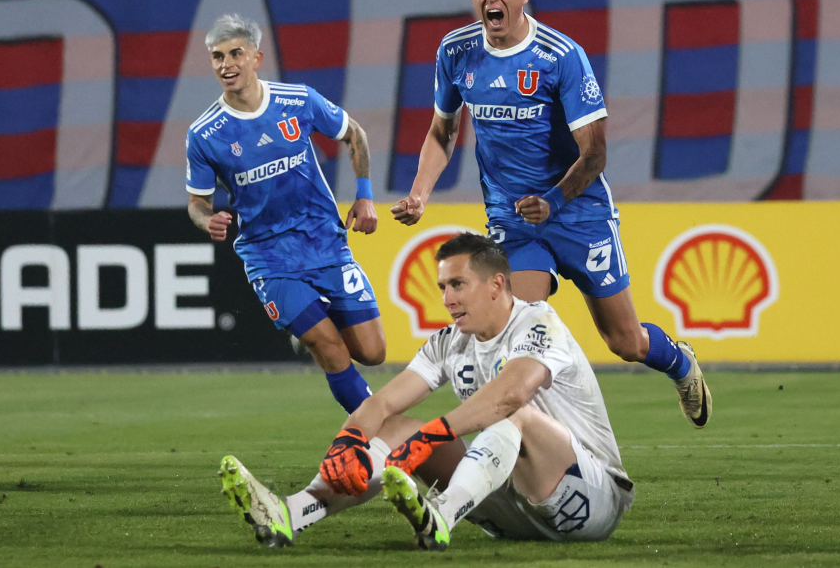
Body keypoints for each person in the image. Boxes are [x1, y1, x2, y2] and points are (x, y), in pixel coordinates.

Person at [389, 0, 711, 428]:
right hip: (514, 221)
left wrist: (554, 198)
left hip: (579, 212)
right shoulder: (456, 51)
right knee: (518, 329)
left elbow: (595, 152)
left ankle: (680, 364)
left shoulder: (561, 56)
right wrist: (420, 192)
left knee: (625, 341)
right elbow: (443, 129)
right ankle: (541, 444)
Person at [217, 233, 635, 550]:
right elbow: (381, 403)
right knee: (395, 425)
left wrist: (430, 436)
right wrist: (348, 442)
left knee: (511, 415)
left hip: (587, 500)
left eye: (458, 285)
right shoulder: (449, 342)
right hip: (506, 511)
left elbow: (511, 393)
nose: (447, 299)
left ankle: (442, 515)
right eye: (442, 287)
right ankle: (292, 512)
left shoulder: (539, 322)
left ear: (496, 285)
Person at [186, 13, 385, 414]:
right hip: (269, 256)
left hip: (325, 242)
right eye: (216, 56)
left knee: (374, 351)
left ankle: (308, 330)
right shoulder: (204, 134)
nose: (226, 64)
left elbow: (354, 134)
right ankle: (378, 436)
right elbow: (196, 202)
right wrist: (207, 218)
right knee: (330, 348)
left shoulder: (298, 100)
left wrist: (364, 196)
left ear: (256, 57)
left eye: (235, 53)